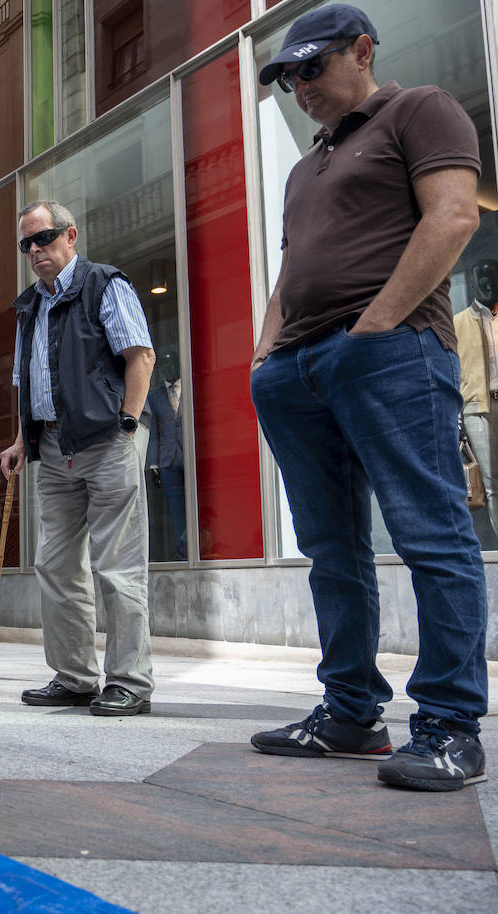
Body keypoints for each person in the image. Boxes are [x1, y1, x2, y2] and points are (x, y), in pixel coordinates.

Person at [250, 5, 487, 792]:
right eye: (287, 78)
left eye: (310, 69)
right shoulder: (300, 167)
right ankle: (350, 710)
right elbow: (290, 273)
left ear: (362, 50)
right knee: (330, 549)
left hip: (389, 351)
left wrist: (373, 328)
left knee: (431, 533)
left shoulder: (419, 108)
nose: (299, 88)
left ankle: (450, 726)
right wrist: (266, 356)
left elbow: (452, 217)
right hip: (299, 369)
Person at [0, 200, 157, 717]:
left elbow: (141, 356)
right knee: (56, 566)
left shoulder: (104, 284)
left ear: (70, 236)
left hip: (107, 442)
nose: (35, 251)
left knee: (117, 567)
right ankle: (74, 676)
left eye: (42, 239)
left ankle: (130, 680)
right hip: (51, 449)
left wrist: (129, 424)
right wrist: (22, 441)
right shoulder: (29, 308)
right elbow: (28, 384)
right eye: (27, 244)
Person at [455, 259, 498, 541]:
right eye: (481, 279)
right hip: (477, 407)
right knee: (492, 483)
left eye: (492, 277)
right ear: (472, 282)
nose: (487, 283)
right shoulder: (458, 322)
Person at [145, 349, 186, 561]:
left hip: (191, 458)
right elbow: (153, 434)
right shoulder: (154, 396)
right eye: (164, 365)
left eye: (172, 363)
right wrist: (153, 464)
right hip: (168, 461)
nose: (168, 368)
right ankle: (183, 554)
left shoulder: (191, 387)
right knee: (176, 511)